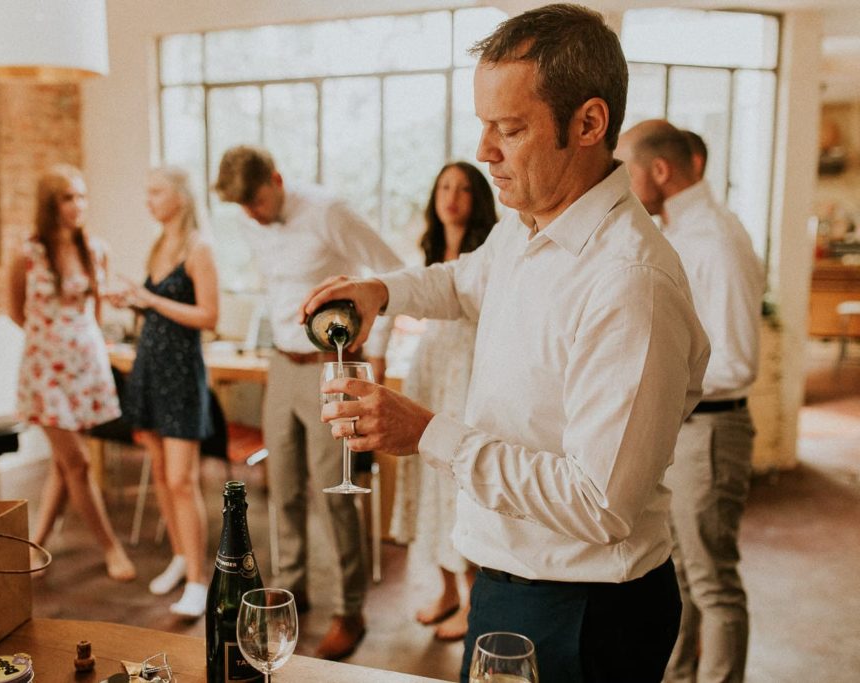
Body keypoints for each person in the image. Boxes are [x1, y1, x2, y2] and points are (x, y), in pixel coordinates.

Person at [299, 5, 711, 682]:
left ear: (588, 123)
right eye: (484, 125)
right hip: (509, 579)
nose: (486, 150)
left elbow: (599, 501)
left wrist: (426, 432)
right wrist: (382, 290)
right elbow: (465, 281)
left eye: (510, 129)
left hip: (584, 609)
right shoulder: (527, 224)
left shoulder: (630, 282)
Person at [214, 145, 403, 660]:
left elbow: (394, 274)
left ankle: (352, 608)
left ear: (276, 178)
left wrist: (376, 356)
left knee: (334, 493)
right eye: (242, 207)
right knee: (284, 487)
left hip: (330, 366)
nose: (251, 213)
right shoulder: (252, 222)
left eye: (254, 199)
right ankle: (291, 589)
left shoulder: (329, 211)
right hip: (280, 366)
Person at [616, 119, 764, 683]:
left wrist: (651, 381)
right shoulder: (675, 232)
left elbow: (738, 361)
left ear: (659, 170)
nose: (620, 181)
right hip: (682, 429)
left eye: (626, 166)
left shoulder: (716, 240)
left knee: (713, 583)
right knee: (675, 575)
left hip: (711, 432)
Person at [8, 163, 136, 582]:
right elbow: (15, 310)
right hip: (45, 371)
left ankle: (36, 543)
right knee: (78, 463)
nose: (77, 205)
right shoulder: (27, 253)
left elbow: (96, 309)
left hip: (87, 368)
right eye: (68, 197)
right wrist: (53, 341)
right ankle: (110, 547)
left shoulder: (95, 249)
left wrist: (88, 342)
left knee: (65, 465)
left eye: (82, 196)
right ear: (50, 204)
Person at [389, 161, 495, 642]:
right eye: (444, 187)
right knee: (429, 476)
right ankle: (447, 589)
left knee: (460, 477)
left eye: (463, 188)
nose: (451, 196)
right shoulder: (430, 247)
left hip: (471, 367)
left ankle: (474, 602)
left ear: (478, 198)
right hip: (432, 363)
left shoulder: (491, 248)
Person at [117, 167, 219, 617]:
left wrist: (152, 300)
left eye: (156, 192)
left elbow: (209, 317)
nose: (149, 200)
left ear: (180, 196)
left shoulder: (199, 248)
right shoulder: (160, 245)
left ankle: (199, 580)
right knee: (159, 473)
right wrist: (134, 301)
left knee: (181, 480)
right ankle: (181, 556)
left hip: (180, 376)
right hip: (150, 369)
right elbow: (156, 308)